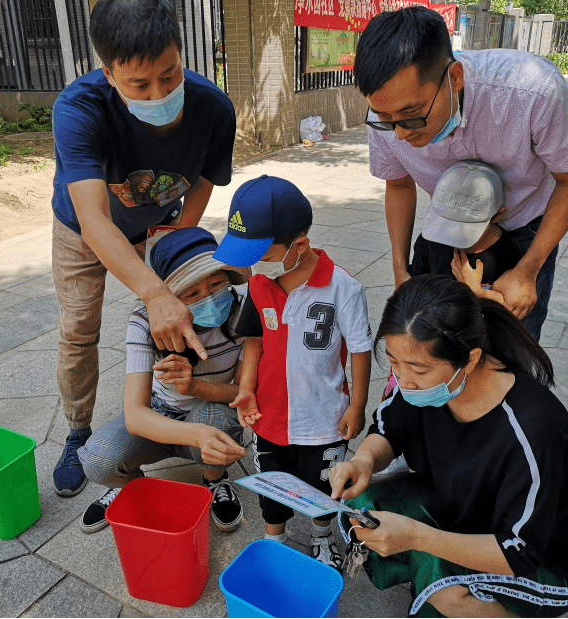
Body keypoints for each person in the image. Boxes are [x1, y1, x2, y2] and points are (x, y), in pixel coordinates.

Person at [329, 275, 568, 618]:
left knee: (449, 591)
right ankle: (433, 571)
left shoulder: (533, 427)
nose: (404, 380)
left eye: (417, 369)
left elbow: (521, 550)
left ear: (470, 360)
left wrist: (416, 537)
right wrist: (365, 461)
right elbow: (389, 428)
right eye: (394, 363)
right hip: (473, 516)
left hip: (550, 563)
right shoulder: (422, 386)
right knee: (366, 503)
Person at [50, 0, 236, 497]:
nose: (161, 93)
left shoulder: (213, 106)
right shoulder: (78, 109)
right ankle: (78, 431)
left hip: (160, 225)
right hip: (83, 230)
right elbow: (93, 219)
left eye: (170, 74)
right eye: (140, 84)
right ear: (108, 72)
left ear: (180, 53)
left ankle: (172, 409)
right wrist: (153, 292)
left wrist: (175, 244)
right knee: (79, 327)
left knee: (175, 314)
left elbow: (202, 181)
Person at [354, 7, 568, 343]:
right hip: (448, 227)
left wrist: (528, 268)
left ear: (455, 77)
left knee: (512, 340)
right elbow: (397, 184)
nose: (398, 134)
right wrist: (400, 267)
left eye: (413, 115)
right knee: (437, 340)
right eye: (385, 117)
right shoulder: (388, 115)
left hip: (525, 228)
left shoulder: (531, 90)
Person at [213, 175, 373, 568]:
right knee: (272, 486)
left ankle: (322, 539)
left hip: (324, 417)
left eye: (261, 252)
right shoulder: (260, 283)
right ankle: (275, 543)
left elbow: (360, 348)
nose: (252, 264)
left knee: (321, 487)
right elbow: (254, 340)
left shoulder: (343, 289)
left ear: (299, 246)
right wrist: (246, 387)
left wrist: (358, 405)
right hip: (270, 416)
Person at [77, 227, 250, 533]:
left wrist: (195, 387)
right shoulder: (145, 320)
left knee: (215, 419)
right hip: (161, 413)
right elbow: (136, 415)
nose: (209, 298)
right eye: (192, 293)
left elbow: (244, 393)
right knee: (98, 459)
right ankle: (128, 486)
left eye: (216, 283)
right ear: (168, 296)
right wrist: (195, 435)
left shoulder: (243, 313)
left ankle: (214, 480)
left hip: (211, 409)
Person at [409, 160, 520, 305]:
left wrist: (479, 292)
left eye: (466, 226)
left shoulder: (508, 250)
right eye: (448, 223)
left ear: (498, 215)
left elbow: (509, 306)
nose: (454, 234)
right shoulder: (428, 241)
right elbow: (415, 288)